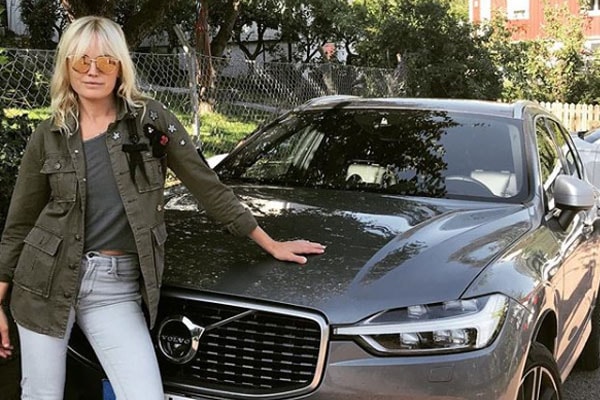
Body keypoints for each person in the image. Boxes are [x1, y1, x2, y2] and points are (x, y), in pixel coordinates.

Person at [0, 16, 325, 400]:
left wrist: (269, 243)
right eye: (81, 60)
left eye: (105, 60)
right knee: (42, 394)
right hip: (45, 282)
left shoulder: (150, 120)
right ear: (67, 66)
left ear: (120, 66)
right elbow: (20, 223)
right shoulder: (49, 134)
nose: (92, 70)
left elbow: (206, 186)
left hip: (114, 288)